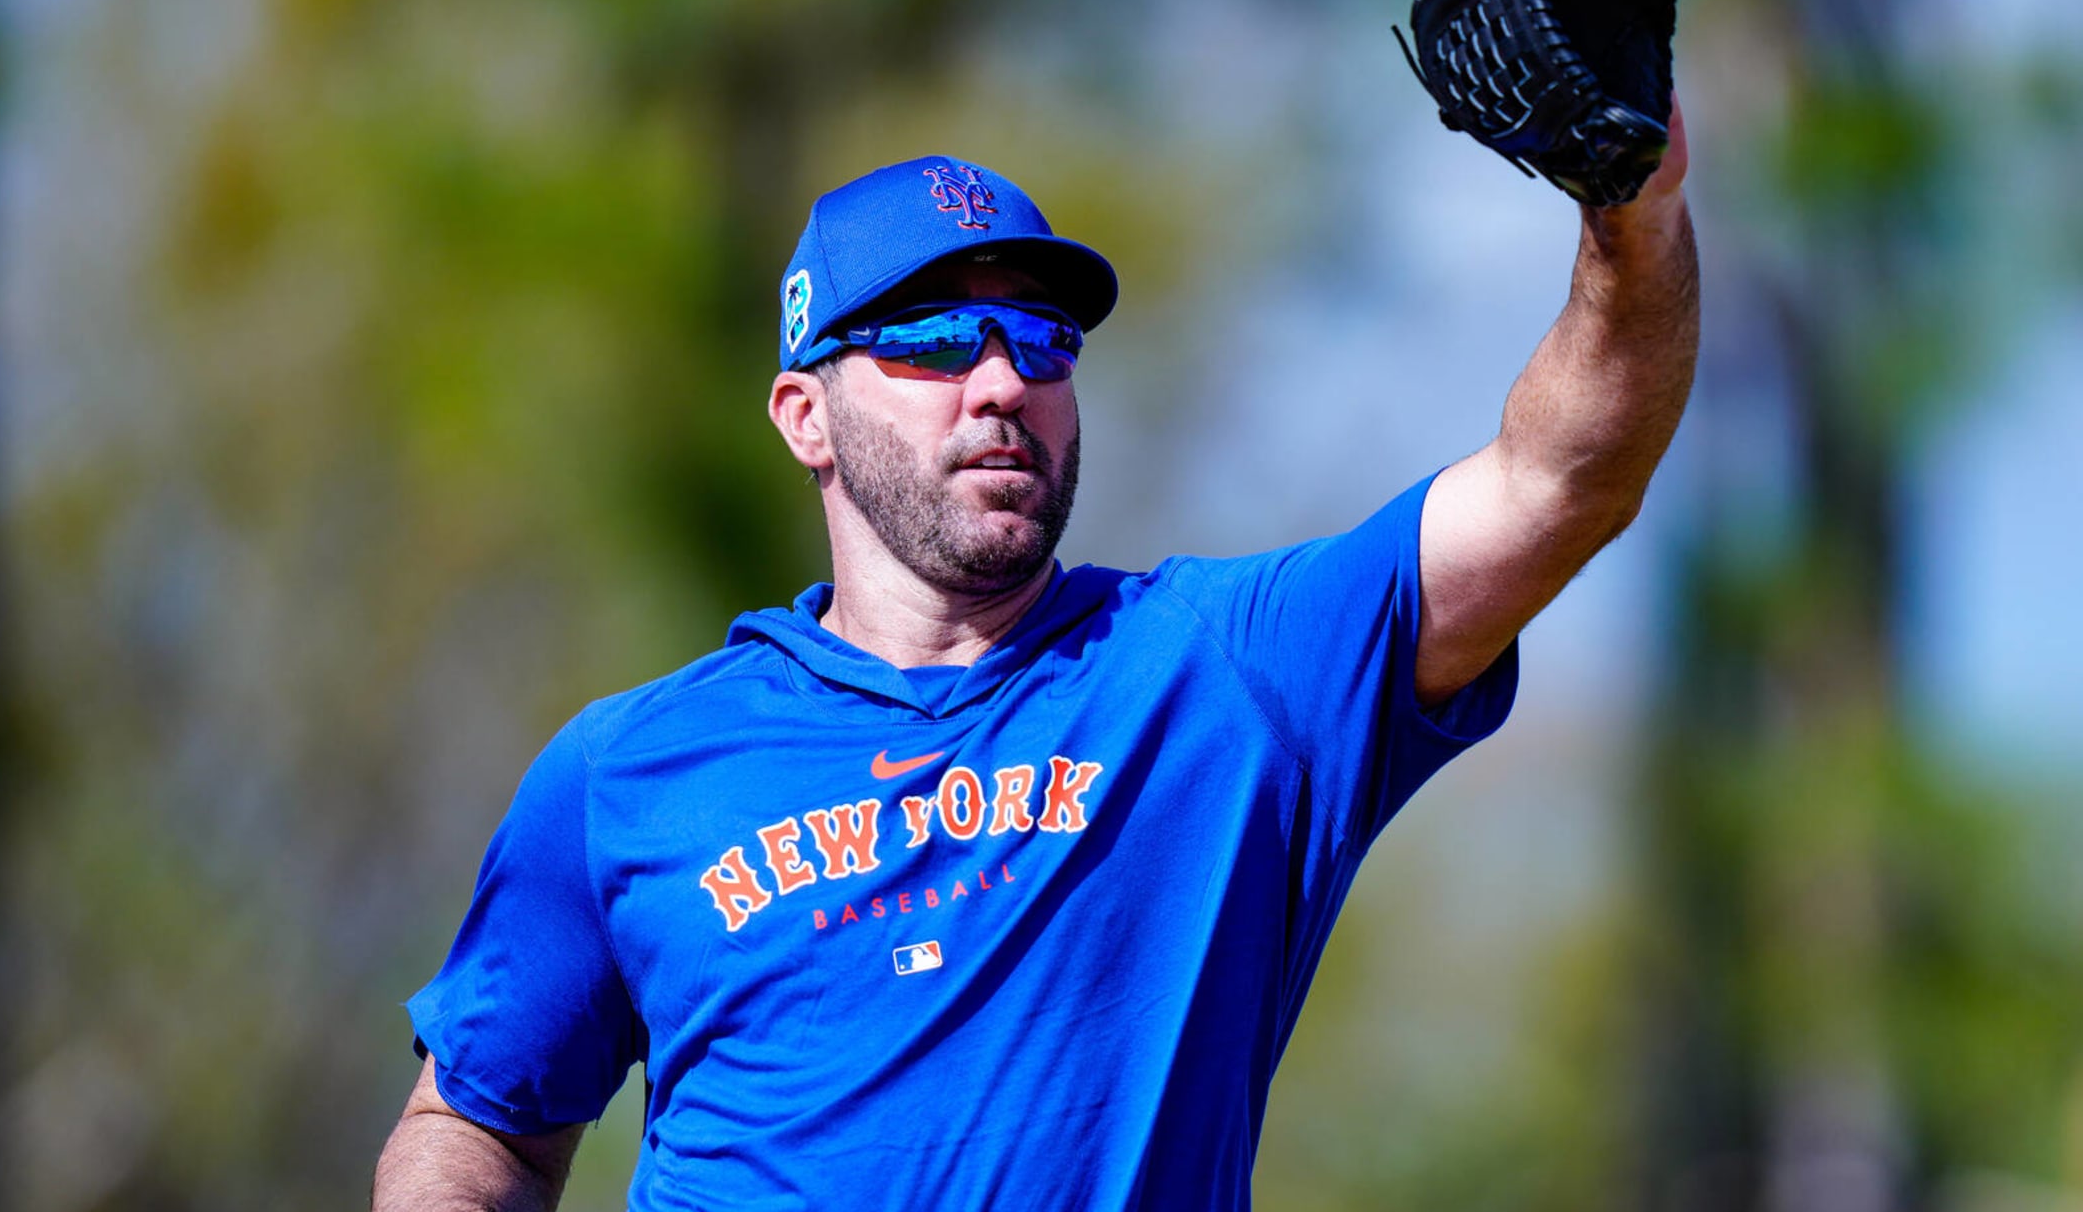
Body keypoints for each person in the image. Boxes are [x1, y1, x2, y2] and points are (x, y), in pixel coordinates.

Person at [372, 99, 1698, 1211]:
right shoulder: (627, 774)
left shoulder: (1223, 681)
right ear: (805, 415)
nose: (1003, 380)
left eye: (1041, 339)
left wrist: (1629, 207)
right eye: (938, 338)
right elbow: (475, 1125)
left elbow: (1563, 477)